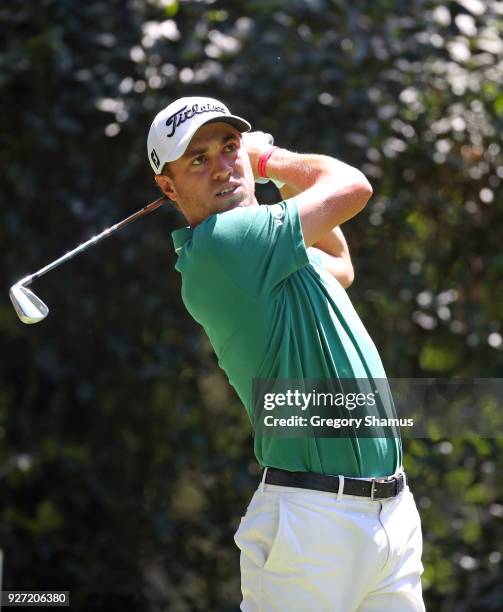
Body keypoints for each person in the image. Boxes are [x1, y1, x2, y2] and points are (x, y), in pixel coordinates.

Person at [147, 96, 425, 611]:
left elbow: (339, 263)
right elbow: (352, 187)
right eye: (198, 160)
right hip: (313, 521)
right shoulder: (224, 244)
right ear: (168, 187)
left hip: (389, 513)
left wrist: (266, 178)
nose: (223, 167)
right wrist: (267, 160)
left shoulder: (268, 250)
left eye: (228, 147)